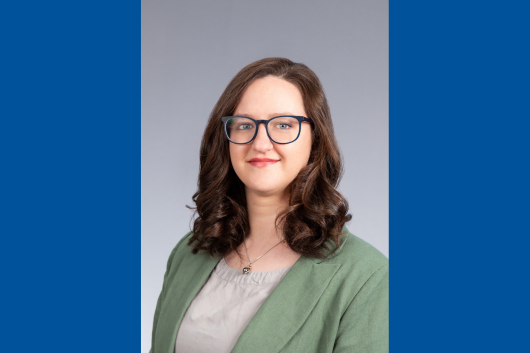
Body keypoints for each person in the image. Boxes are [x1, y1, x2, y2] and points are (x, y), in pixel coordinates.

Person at [149, 58, 388, 353]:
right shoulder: (189, 252)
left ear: (316, 139)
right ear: (225, 138)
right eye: (245, 125)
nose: (260, 143)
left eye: (284, 124)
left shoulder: (367, 277)